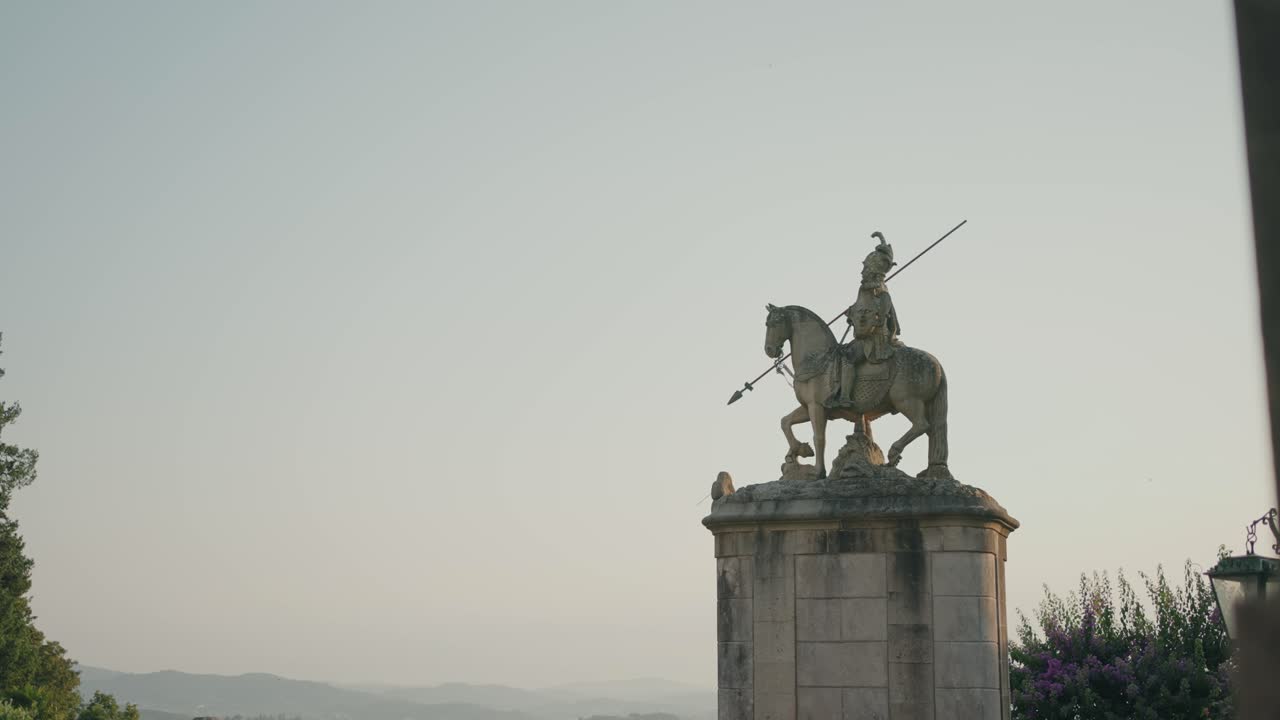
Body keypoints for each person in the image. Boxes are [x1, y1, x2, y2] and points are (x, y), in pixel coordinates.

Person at [830, 233, 901, 408]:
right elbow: (862, 309)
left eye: (866, 270)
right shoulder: (871, 291)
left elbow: (876, 319)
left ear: (873, 271)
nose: (863, 272)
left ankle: (845, 397)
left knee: (847, 357)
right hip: (869, 337)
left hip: (873, 341)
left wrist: (860, 318)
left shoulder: (879, 292)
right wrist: (852, 313)